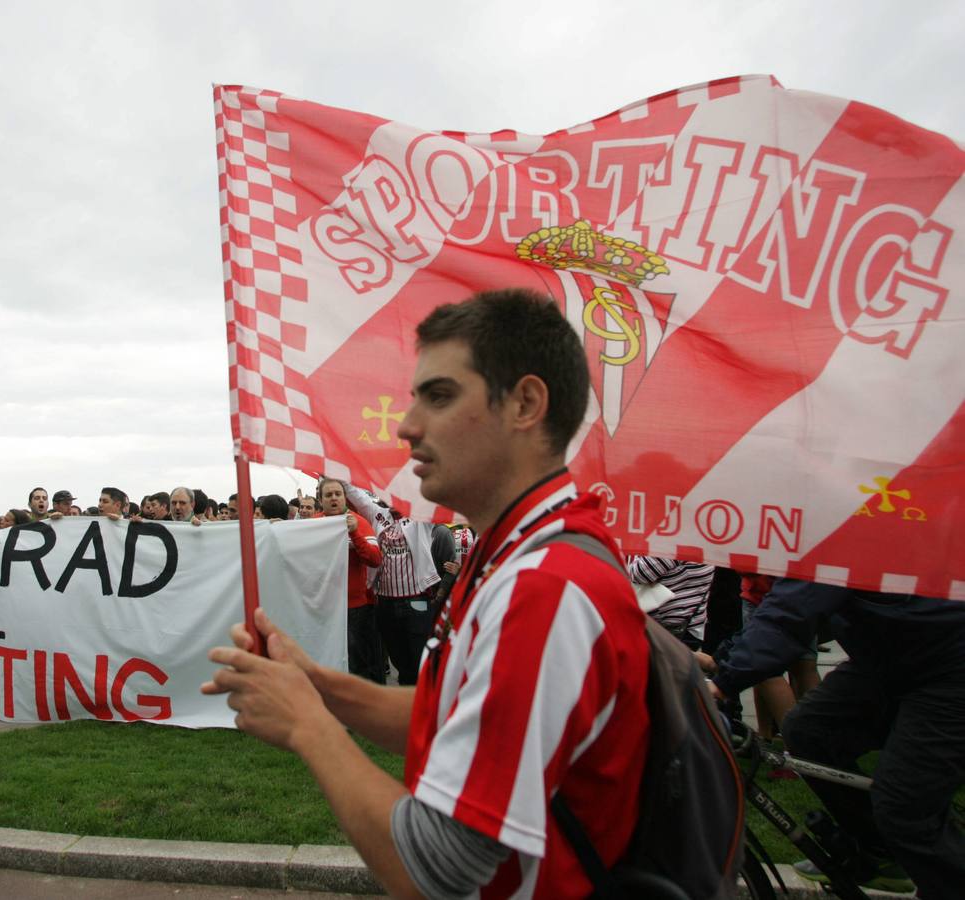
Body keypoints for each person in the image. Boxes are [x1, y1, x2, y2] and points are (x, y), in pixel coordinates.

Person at [203, 288, 650, 898]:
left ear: (525, 403)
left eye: (438, 396)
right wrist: (318, 684)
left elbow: (438, 872)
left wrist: (308, 725)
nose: (407, 426)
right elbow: (449, 718)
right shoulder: (514, 553)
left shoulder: (544, 587)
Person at [706, 578, 964, 896]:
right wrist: (724, 661)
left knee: (904, 805)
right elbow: (782, 606)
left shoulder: (840, 531)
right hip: (892, 657)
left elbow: (792, 612)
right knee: (807, 731)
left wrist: (723, 682)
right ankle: (878, 852)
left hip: (949, 665)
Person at [344, 485, 457, 687]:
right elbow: (356, 495)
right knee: (399, 661)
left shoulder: (419, 517)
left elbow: (439, 496)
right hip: (385, 601)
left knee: (419, 660)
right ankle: (408, 706)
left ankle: (422, 703)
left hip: (416, 600)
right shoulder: (378, 514)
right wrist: (338, 470)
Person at [316, 477, 383, 683]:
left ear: (344, 497)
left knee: (357, 664)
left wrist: (354, 533)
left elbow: (375, 559)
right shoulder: (312, 524)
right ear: (321, 500)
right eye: (328, 495)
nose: (334, 498)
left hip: (354, 608)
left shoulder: (359, 522)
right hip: (322, 607)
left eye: (338, 494)